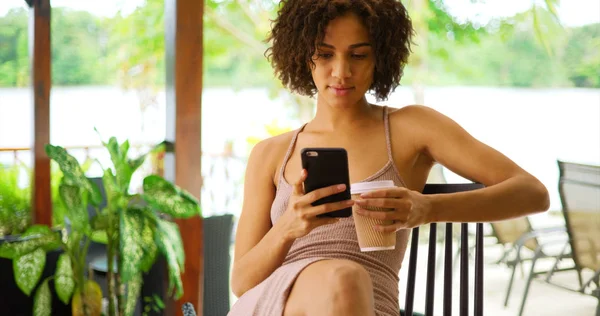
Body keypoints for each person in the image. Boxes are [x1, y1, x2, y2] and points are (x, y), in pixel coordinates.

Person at [228, 1, 550, 315]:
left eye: (359, 55)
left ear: (380, 57)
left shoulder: (411, 128)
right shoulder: (270, 154)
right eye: (325, 54)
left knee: (348, 278)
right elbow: (242, 282)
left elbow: (533, 193)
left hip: (368, 303)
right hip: (275, 304)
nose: (341, 72)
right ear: (302, 56)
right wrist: (287, 227)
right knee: (345, 277)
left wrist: (427, 209)